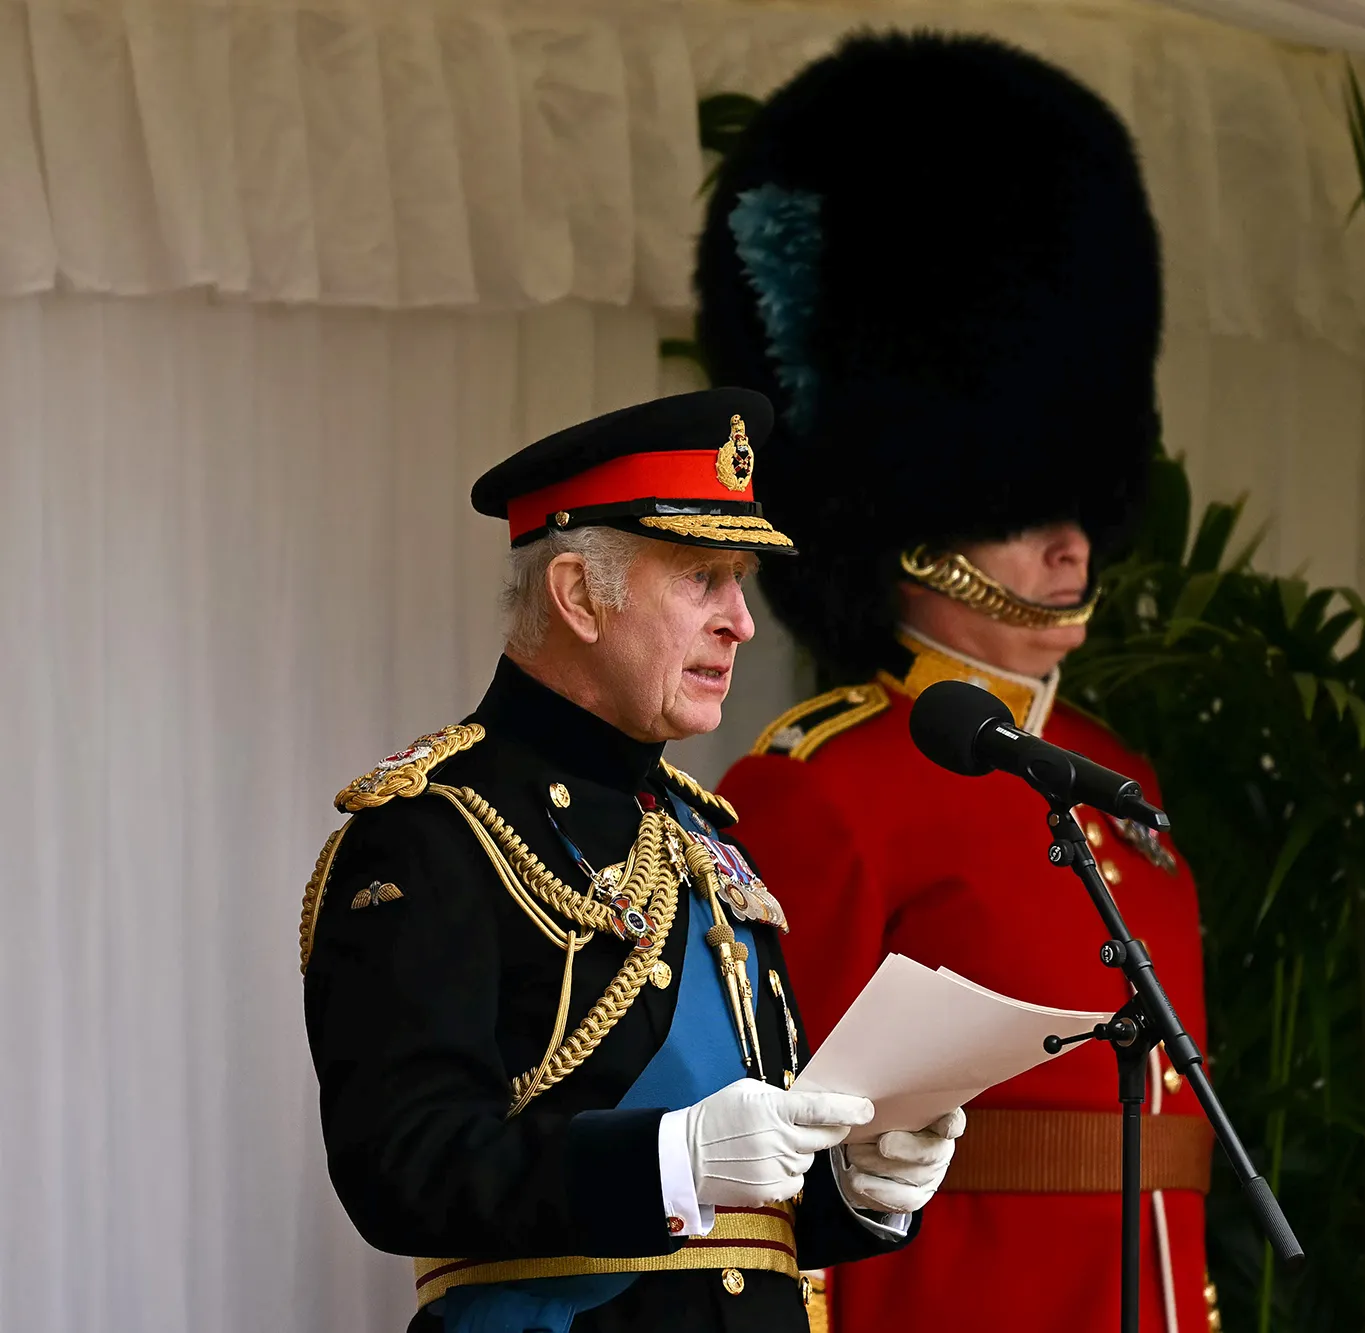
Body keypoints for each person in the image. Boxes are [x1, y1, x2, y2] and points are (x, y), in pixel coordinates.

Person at [697, 34, 1216, 1333]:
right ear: (908, 525)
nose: (1071, 545)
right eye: (1016, 510)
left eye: (1076, 502)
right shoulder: (822, 789)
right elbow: (769, 1144)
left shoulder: (1120, 776)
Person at [299, 387, 962, 1333]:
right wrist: (669, 1159)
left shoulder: (707, 835)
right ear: (577, 595)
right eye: (704, 577)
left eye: (742, 582)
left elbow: (743, 1226)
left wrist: (857, 1186)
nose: (742, 621)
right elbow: (401, 1162)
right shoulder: (432, 830)